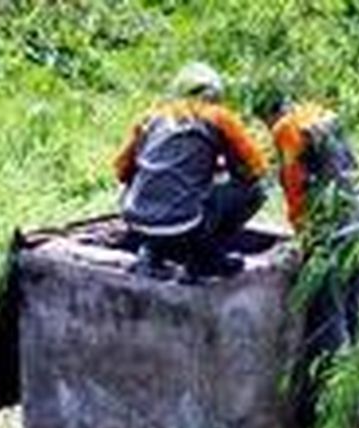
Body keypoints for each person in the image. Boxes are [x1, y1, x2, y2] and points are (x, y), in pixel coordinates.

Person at [257, 94, 359, 425]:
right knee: (354, 314)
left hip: (333, 232)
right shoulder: (323, 116)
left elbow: (296, 184)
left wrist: (305, 235)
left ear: (268, 116)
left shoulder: (286, 128)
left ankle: (334, 412)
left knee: (330, 318)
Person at [114, 63, 268, 280]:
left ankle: (152, 251)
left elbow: (121, 171)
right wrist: (225, 167)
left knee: (150, 190)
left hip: (138, 221)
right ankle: (205, 258)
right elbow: (255, 169)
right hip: (183, 225)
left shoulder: (151, 118)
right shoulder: (217, 117)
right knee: (254, 191)